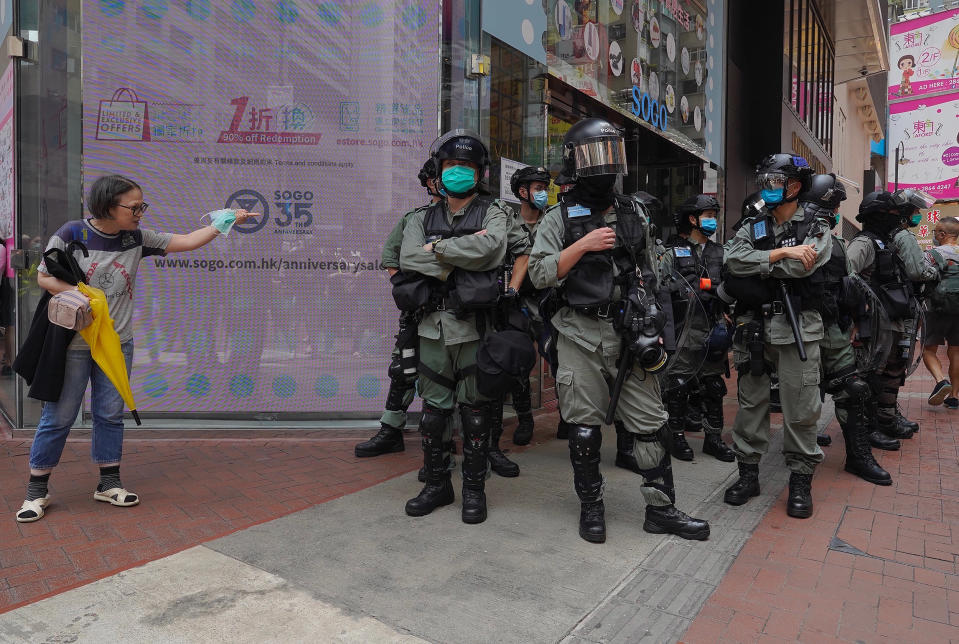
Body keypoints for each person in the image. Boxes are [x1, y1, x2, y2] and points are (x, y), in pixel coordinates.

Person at [16, 175, 255, 522]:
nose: (141, 212)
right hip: (74, 343)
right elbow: (43, 276)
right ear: (108, 206)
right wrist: (78, 294)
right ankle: (37, 490)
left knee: (110, 413)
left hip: (118, 343)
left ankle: (108, 483)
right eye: (135, 206)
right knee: (59, 415)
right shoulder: (71, 233)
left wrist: (226, 221)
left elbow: (187, 241)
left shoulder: (136, 238)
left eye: (142, 205)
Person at [529, 117, 709, 543]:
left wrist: (653, 324)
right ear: (574, 163)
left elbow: (651, 271)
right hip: (579, 334)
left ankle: (661, 510)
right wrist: (581, 246)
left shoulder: (634, 212)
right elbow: (538, 274)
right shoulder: (558, 218)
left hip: (630, 333)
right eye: (595, 156)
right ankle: (592, 508)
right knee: (585, 428)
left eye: (612, 155)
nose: (606, 166)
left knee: (651, 424)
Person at [398, 129, 528, 524]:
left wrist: (436, 249)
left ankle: (474, 490)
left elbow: (492, 250)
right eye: (452, 165)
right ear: (439, 171)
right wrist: (466, 253)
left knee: (476, 412)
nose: (459, 172)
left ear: (480, 173)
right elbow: (407, 258)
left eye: (467, 166)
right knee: (434, 414)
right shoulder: (421, 217)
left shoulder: (494, 213)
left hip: (476, 328)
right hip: (432, 329)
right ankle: (437, 485)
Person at [722, 153, 831, 519]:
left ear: (795, 186)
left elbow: (803, 269)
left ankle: (800, 482)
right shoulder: (754, 223)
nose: (766, 188)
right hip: (754, 327)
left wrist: (760, 263)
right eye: (764, 182)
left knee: (800, 409)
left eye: (774, 182)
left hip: (797, 327)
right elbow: (731, 261)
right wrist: (780, 252)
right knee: (751, 405)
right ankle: (747, 476)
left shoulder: (817, 224)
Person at [799, 174, 892, 484]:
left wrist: (856, 323)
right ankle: (802, 461)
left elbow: (852, 287)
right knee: (803, 396)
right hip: (800, 331)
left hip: (834, 329)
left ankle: (858, 455)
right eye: (832, 207)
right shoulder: (790, 238)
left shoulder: (837, 245)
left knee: (853, 390)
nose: (834, 214)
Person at [354, 159, 443, 459]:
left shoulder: (473, 217)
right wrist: (408, 289)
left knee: (449, 374)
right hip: (419, 313)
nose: (442, 182)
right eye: (436, 177)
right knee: (403, 367)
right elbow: (390, 257)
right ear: (428, 183)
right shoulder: (414, 219)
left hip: (458, 312)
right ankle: (391, 430)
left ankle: (444, 440)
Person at [846, 190, 939, 441]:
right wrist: (860, 312)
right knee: (872, 373)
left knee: (893, 369)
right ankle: (868, 427)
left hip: (892, 316)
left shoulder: (885, 241)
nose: (897, 220)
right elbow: (848, 277)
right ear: (879, 216)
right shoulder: (864, 242)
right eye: (892, 215)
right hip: (875, 322)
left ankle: (885, 419)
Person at [660, 195, 736, 463]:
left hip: (712, 327)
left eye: (714, 215)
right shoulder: (673, 252)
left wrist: (728, 310)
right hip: (683, 330)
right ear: (692, 219)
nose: (712, 220)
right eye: (707, 215)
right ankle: (677, 437)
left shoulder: (722, 252)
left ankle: (713, 439)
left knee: (714, 385)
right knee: (678, 385)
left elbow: (733, 289)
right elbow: (661, 291)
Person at [923, 216, 959, 409]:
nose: (934, 234)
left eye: (936, 231)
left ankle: (941, 381)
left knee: (928, 349)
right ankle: (954, 397)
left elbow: (919, 274)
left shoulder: (932, 254)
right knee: (956, 351)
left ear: (943, 234)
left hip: (936, 308)